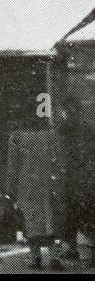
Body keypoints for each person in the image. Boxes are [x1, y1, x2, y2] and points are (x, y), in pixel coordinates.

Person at [5, 115, 67, 271]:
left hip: (26, 184)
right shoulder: (51, 134)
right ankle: (54, 257)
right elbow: (58, 160)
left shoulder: (17, 136)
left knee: (30, 221)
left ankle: (35, 257)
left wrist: (9, 190)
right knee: (49, 219)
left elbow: (13, 166)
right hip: (47, 182)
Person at [56, 99, 95, 267]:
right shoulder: (85, 130)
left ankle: (76, 250)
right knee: (78, 217)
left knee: (80, 217)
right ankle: (74, 249)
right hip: (80, 181)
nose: (63, 115)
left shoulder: (67, 132)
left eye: (65, 112)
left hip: (78, 181)